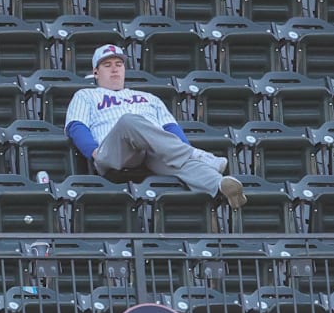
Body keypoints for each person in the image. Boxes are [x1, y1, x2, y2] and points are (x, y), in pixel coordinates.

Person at [65, 44, 247, 208]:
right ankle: (195, 154)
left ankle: (220, 185)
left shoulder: (150, 98)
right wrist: (93, 151)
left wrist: (183, 148)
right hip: (112, 152)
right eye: (107, 65)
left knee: (183, 163)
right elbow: (76, 125)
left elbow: (170, 127)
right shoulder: (86, 95)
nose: (114, 69)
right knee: (129, 120)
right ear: (96, 72)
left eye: (118, 64)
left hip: (151, 152)